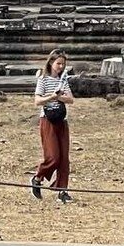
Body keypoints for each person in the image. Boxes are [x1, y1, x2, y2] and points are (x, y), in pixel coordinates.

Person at [30, 49, 73, 203]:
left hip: (62, 119)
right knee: (53, 156)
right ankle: (38, 177)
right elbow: (37, 101)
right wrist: (53, 96)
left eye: (63, 64)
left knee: (64, 159)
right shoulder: (43, 79)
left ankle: (62, 190)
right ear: (51, 63)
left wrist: (60, 97)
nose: (60, 67)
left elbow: (70, 99)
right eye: (58, 63)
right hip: (48, 119)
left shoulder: (63, 80)